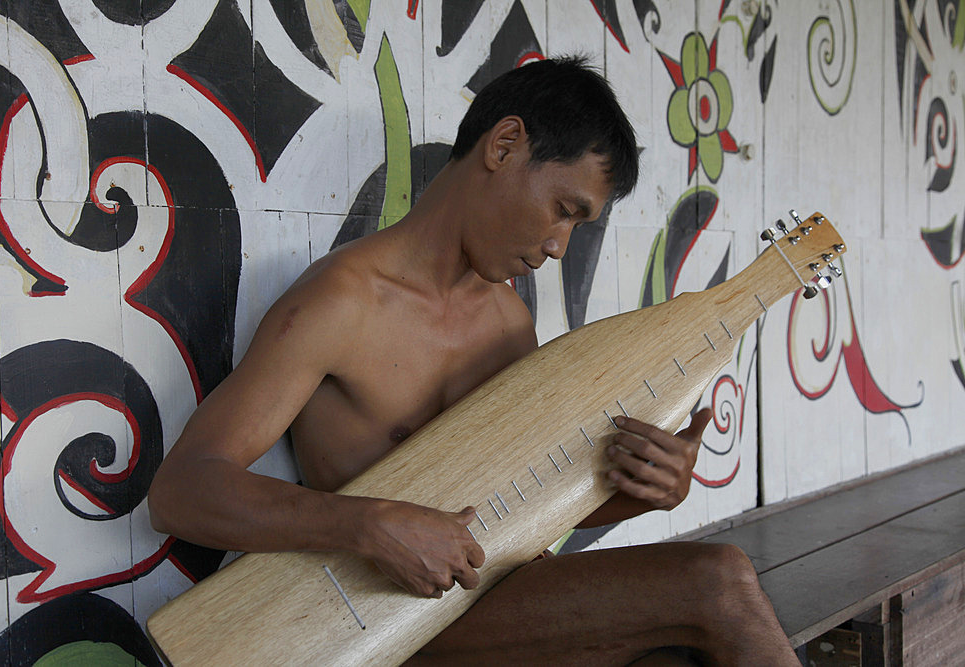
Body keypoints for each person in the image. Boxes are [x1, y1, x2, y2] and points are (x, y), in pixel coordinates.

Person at [148, 56, 798, 665]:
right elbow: (180, 492)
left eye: (578, 226)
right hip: (382, 620)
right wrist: (369, 524)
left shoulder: (508, 322)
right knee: (718, 581)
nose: (557, 245)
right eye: (562, 210)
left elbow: (522, 509)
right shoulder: (342, 304)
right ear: (504, 145)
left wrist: (647, 492)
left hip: (500, 596)